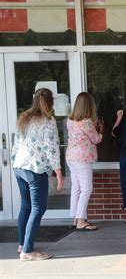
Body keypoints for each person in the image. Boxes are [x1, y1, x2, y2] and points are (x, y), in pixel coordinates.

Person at [11, 88, 64, 261]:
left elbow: (16, 143)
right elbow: (52, 147)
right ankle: (27, 251)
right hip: (35, 168)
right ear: (51, 102)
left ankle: (22, 244)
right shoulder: (48, 120)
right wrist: (58, 172)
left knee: (26, 206)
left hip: (20, 166)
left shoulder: (24, 117)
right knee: (38, 208)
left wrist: (14, 162)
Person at [66, 92, 103, 231]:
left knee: (76, 188)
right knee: (87, 188)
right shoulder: (86, 122)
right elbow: (96, 139)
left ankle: (75, 218)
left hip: (71, 156)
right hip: (83, 158)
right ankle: (81, 220)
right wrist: (101, 131)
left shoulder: (70, 120)